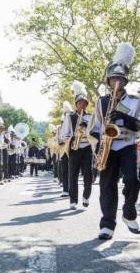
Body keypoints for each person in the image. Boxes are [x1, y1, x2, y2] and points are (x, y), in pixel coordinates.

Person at [88, 43, 140, 240]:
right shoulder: (101, 102)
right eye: (114, 78)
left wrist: (127, 120)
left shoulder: (135, 101)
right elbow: (95, 127)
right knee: (107, 186)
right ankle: (107, 225)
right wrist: (98, 144)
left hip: (127, 145)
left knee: (132, 180)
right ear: (109, 80)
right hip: (107, 147)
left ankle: (129, 215)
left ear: (125, 81)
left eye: (120, 79)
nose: (117, 82)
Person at [63, 81, 93, 210]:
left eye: (84, 103)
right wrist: (73, 136)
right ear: (76, 104)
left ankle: (86, 196)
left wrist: (87, 130)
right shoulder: (69, 117)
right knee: (73, 176)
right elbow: (65, 134)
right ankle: (73, 200)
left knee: (88, 174)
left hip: (87, 148)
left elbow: (96, 132)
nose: (82, 105)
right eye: (80, 103)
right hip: (75, 149)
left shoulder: (91, 117)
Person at [58, 101, 73, 197]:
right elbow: (58, 138)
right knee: (64, 170)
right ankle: (65, 190)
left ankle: (71, 189)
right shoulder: (60, 128)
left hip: (71, 149)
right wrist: (60, 140)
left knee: (71, 170)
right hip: (63, 150)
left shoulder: (72, 122)